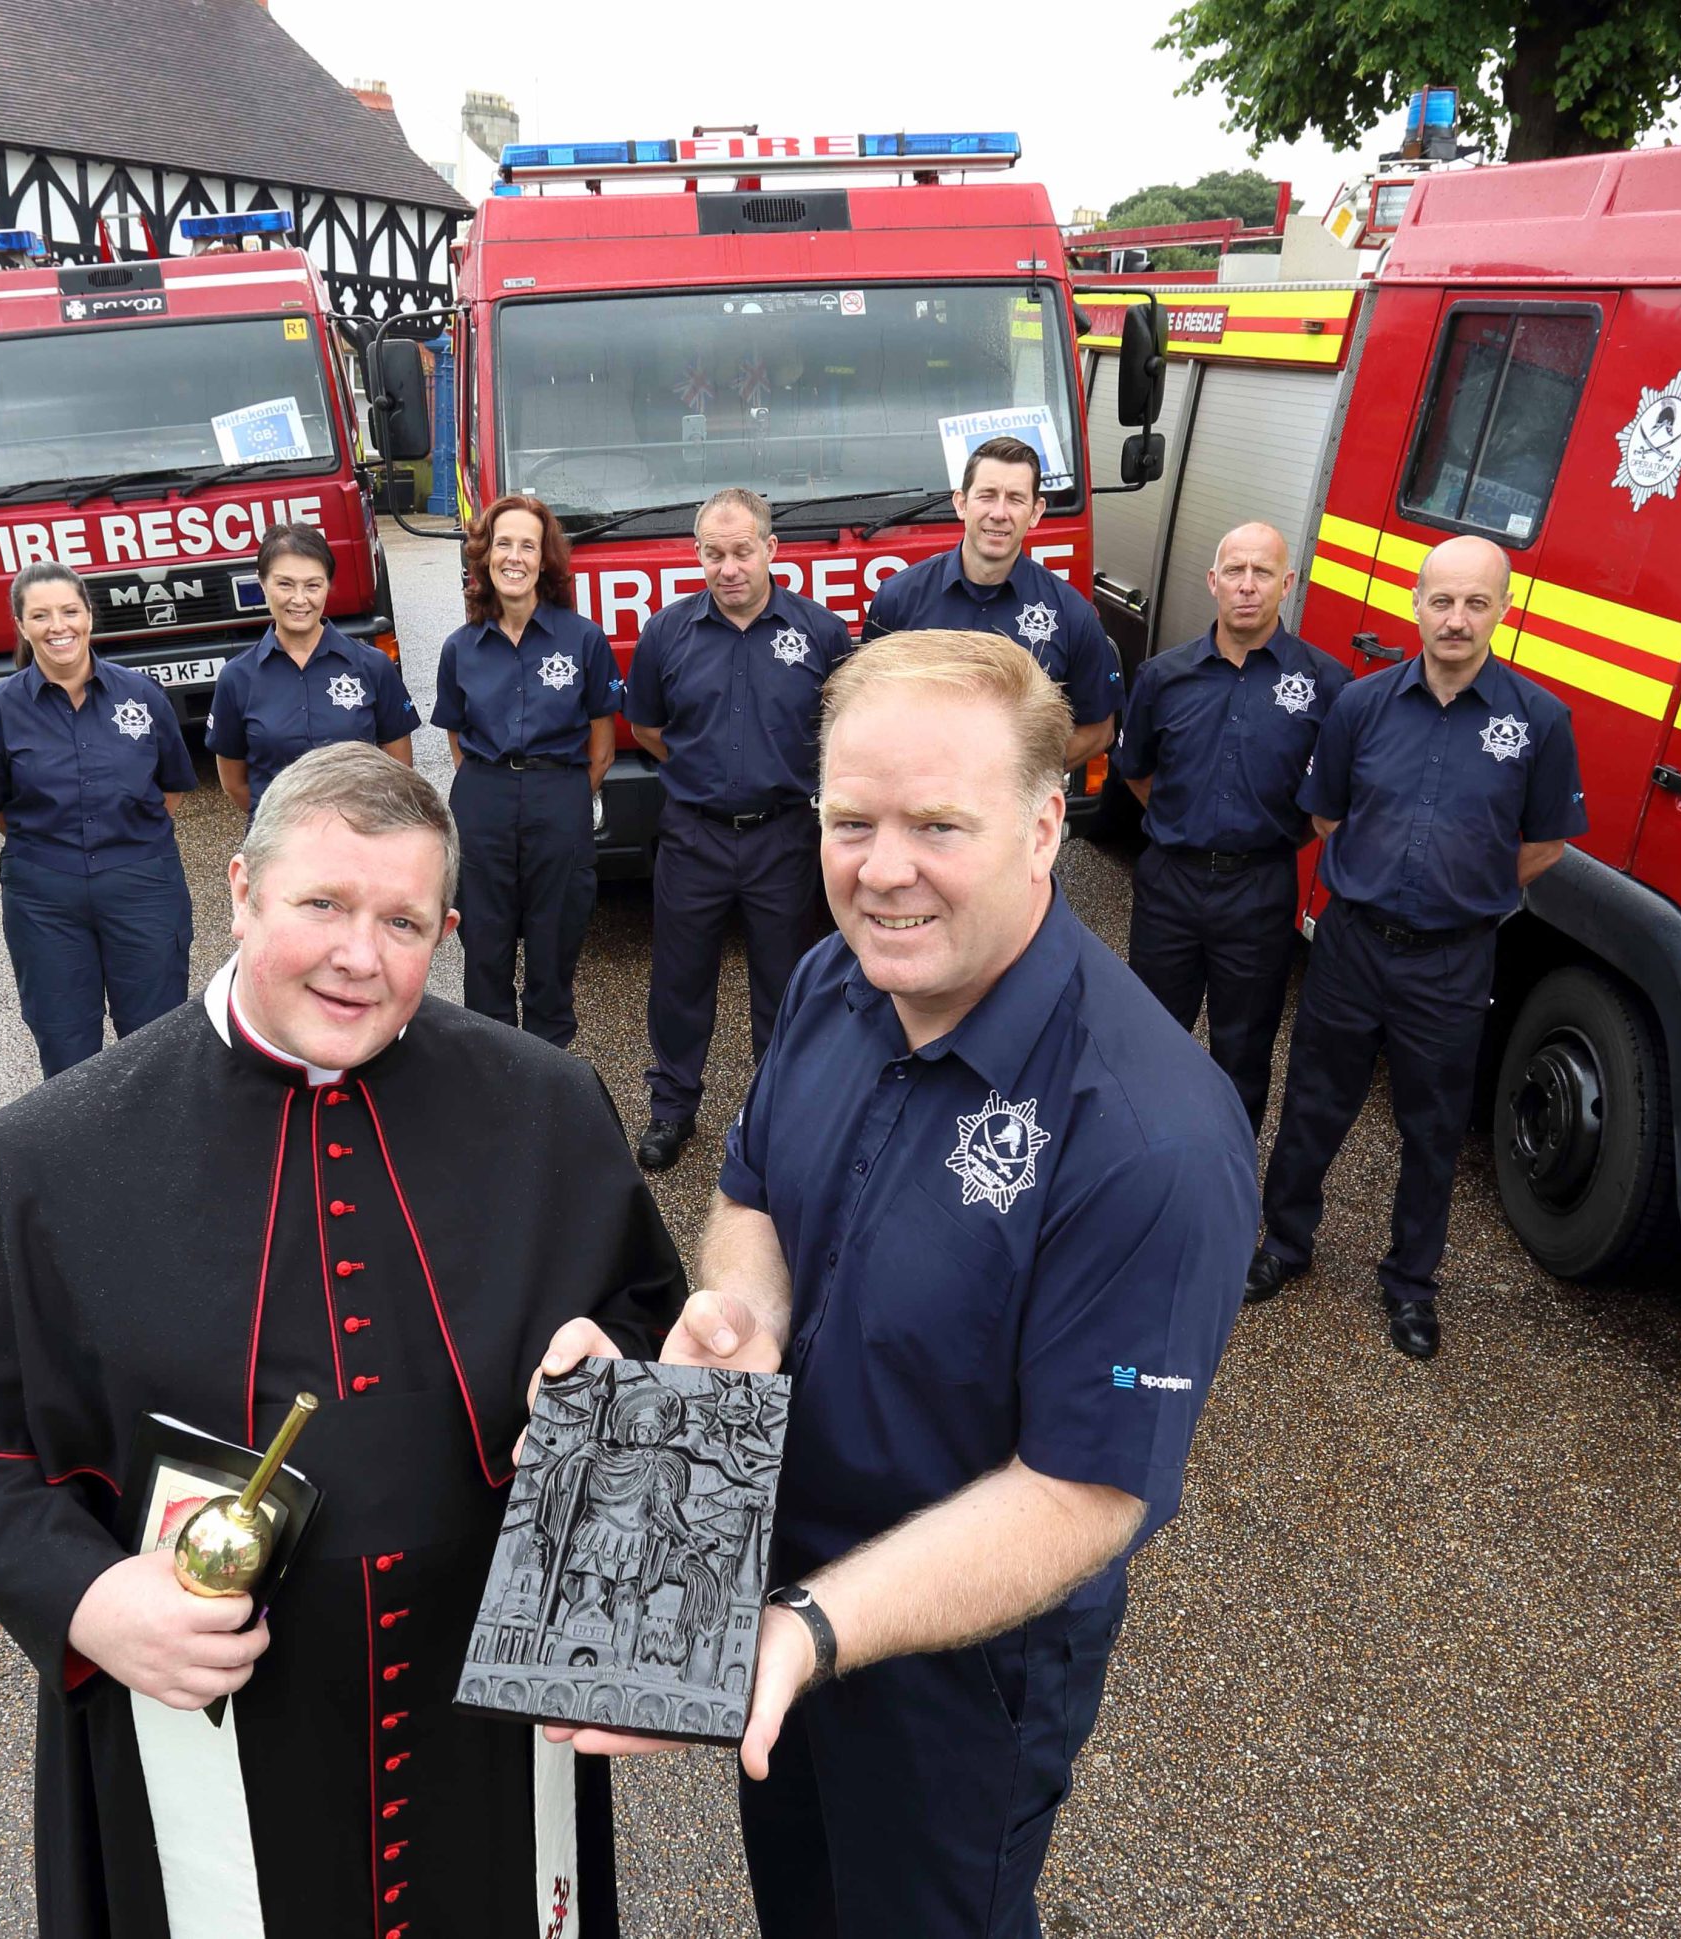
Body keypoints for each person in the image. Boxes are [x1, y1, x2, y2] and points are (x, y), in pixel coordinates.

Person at [0, 743, 688, 1939]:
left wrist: (610, 1360)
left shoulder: (548, 1105)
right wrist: (89, 1599)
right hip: (210, 1730)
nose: (360, 956)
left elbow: (641, 1318)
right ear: (241, 891)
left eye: (403, 922)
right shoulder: (51, 1155)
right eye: (322, 904)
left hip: (486, 1731)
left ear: (447, 931)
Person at [533, 629, 1258, 1938]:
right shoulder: (836, 980)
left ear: (1045, 826)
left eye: (937, 824)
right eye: (850, 820)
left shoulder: (1150, 1134)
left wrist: (814, 1628)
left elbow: (1086, 1491)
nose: (881, 870)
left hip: (955, 1672)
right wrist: (741, 1315)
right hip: (782, 1584)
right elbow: (753, 1192)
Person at [1247, 535, 1586, 1359]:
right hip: (1353, 946)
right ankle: (1284, 1242)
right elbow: (1326, 813)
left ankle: (1410, 1284)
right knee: (1313, 1102)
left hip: (1451, 961)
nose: (1456, 619)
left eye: (1475, 603)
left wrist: (1462, 893)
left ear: (1504, 610)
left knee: (1432, 1129)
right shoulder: (1361, 705)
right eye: (1442, 601)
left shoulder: (1539, 721)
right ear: (1416, 604)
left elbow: (1545, 843)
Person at [622, 487, 854, 1170]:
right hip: (693, 835)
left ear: (771, 549)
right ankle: (672, 1108)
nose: (728, 568)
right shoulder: (666, 632)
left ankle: (779, 1113)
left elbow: (842, 728)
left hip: (784, 836)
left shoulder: (821, 633)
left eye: (742, 551)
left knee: (785, 982)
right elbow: (648, 728)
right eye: (713, 554)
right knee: (679, 979)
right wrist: (706, 776)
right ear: (697, 554)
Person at [1116, 522, 1349, 1132]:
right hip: (1170, 885)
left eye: (1262, 572)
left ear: (1287, 584)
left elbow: (1329, 797)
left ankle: (1229, 1175)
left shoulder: (1328, 685)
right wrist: (1184, 823)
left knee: (1242, 1054)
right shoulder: (1163, 676)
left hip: (1260, 891)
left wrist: (1266, 839)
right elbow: (1137, 771)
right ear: (1213, 581)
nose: (1248, 586)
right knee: (1148, 1040)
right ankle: (1147, 1170)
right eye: (1235, 571)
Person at [0, 561, 199, 1078]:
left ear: (89, 615)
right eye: (40, 615)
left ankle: (155, 1135)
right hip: (45, 899)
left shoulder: (142, 696)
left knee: (156, 1041)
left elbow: (172, 787)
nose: (59, 626)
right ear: (21, 625)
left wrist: (123, 844)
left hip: (142, 886)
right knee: (65, 1045)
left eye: (70, 611)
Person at [433, 494, 619, 1047]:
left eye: (528, 546)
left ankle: (549, 1067)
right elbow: (457, 740)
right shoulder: (460, 648)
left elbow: (602, 747)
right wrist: (495, 788)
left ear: (545, 560)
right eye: (503, 544)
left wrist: (559, 796)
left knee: (554, 945)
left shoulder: (583, 639)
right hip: (483, 801)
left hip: (558, 797)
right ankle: (494, 1069)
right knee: (483, 950)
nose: (514, 557)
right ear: (485, 556)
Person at [861, 434, 1121, 769]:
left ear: (1036, 512)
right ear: (961, 503)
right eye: (987, 495)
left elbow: (1098, 731)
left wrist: (1011, 780)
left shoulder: (1072, 615)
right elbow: (865, 710)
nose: (999, 513)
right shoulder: (898, 599)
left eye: (1015, 499)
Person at [204, 523, 416, 815]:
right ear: (262, 583)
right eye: (285, 584)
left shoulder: (373, 666)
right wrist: (283, 823)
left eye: (313, 585)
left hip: (359, 833)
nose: (300, 599)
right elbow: (234, 783)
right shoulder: (237, 678)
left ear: (328, 585)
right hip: (278, 838)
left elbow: (399, 769)